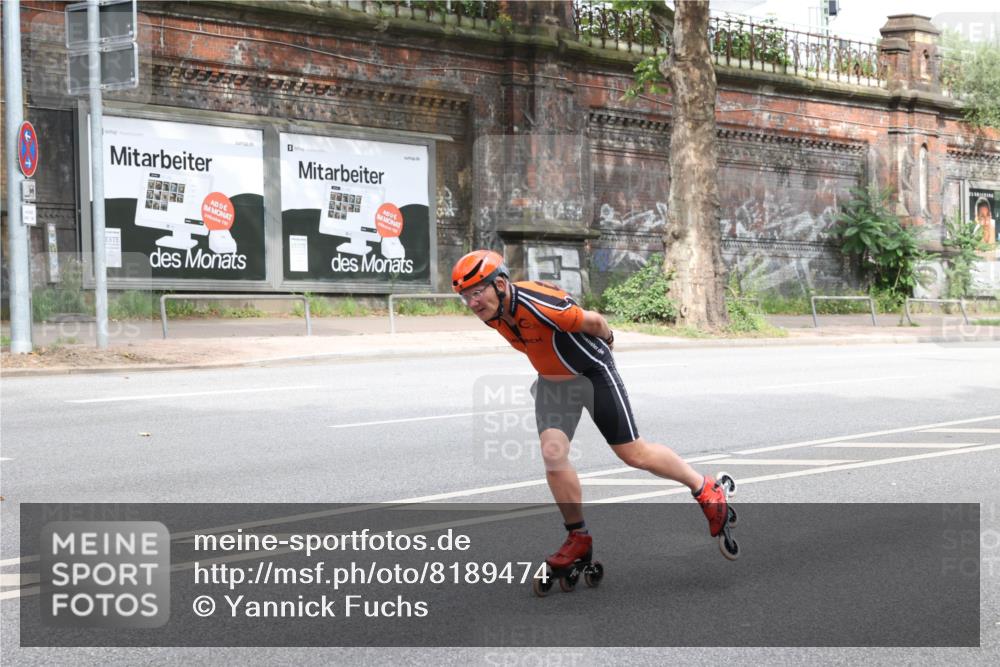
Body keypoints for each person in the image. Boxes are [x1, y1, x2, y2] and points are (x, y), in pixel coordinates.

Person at [451, 249, 738, 580]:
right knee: (553, 455)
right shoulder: (494, 313)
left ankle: (704, 488)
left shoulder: (541, 304)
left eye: (476, 292)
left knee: (634, 453)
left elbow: (597, 322)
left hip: (592, 372)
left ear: (499, 284)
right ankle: (578, 536)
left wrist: (609, 344)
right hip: (554, 381)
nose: (472, 303)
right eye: (465, 297)